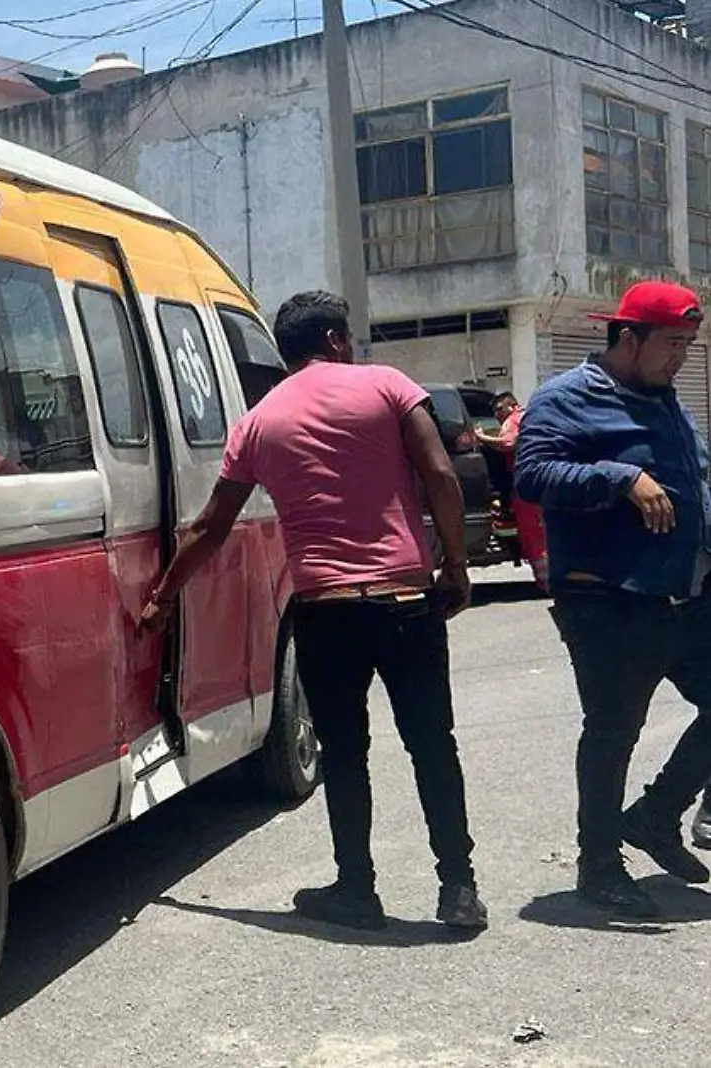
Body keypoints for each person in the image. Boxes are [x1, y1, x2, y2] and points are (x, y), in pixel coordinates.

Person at [141, 291, 486, 931]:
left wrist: (163, 597)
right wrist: (455, 565)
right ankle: (458, 889)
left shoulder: (257, 422)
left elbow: (210, 528)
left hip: (325, 611)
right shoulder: (387, 385)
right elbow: (440, 474)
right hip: (405, 600)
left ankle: (357, 889)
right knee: (433, 746)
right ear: (334, 340)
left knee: (345, 752)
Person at [514, 280, 711, 919]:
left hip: (682, 594)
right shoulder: (567, 399)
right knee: (612, 731)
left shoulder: (664, 400)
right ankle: (598, 862)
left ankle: (656, 815)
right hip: (607, 598)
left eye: (689, 346)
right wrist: (619, 478)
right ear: (629, 338)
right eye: (673, 345)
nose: (681, 357)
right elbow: (532, 474)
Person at [474, 391, 548, 589]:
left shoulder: (513, 420)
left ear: (512, 406)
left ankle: (546, 581)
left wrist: (481, 437)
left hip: (524, 482)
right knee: (541, 530)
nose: (497, 414)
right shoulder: (532, 417)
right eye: (495, 411)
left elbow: (508, 443)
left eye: (500, 409)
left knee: (531, 531)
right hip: (539, 480)